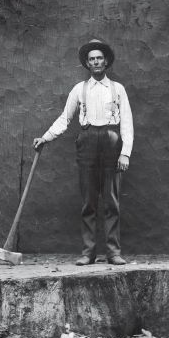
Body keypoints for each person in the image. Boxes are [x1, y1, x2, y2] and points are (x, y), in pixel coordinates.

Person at [33, 39, 133, 265]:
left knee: (111, 200)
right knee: (88, 200)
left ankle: (113, 252)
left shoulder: (118, 89)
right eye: (92, 59)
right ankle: (88, 252)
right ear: (87, 64)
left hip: (111, 141)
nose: (96, 62)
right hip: (87, 142)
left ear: (105, 61)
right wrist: (45, 138)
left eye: (99, 58)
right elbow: (65, 118)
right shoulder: (79, 89)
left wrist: (125, 153)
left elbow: (126, 122)